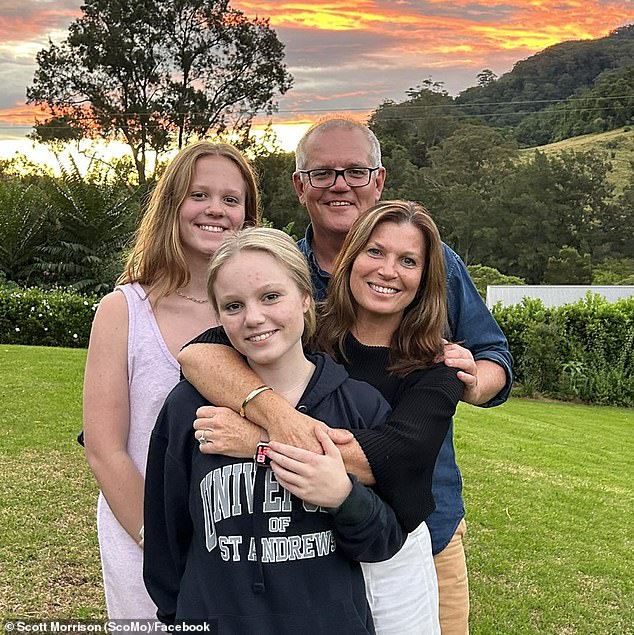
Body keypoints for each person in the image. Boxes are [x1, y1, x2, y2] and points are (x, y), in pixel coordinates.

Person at [179, 118, 513, 635]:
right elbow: (201, 354)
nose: (341, 184)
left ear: (378, 180)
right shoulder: (287, 278)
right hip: (305, 539)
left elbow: (408, 449)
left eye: (356, 171)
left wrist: (260, 440)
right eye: (324, 172)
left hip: (417, 525)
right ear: (300, 185)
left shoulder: (437, 341)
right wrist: (275, 414)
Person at [143, 227, 406, 631]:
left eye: (271, 296)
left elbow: (382, 541)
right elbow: (167, 537)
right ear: (218, 316)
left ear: (304, 297)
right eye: (233, 306)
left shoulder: (359, 405)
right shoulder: (188, 408)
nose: (254, 318)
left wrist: (343, 496)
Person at [82, 141, 259, 618]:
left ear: (247, 214)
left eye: (230, 199)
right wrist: (160, 544)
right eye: (198, 194)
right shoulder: (124, 311)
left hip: (246, 544)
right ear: (171, 205)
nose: (215, 211)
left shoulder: (263, 316)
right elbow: (105, 449)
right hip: (146, 540)